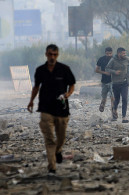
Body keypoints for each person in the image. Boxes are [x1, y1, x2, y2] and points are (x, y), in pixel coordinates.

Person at [27, 44, 76, 174]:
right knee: (49, 140)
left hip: (62, 110)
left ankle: (58, 151)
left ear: (57, 55)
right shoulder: (40, 70)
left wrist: (68, 94)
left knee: (61, 138)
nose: (52, 57)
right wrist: (31, 101)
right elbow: (36, 87)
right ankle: (52, 167)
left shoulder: (64, 69)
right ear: (46, 55)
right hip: (45, 109)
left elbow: (72, 85)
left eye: (54, 54)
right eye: (50, 54)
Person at [105, 47, 129, 123]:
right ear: (119, 54)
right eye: (123, 53)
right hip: (116, 83)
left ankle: (124, 117)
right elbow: (107, 68)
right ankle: (114, 110)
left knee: (124, 99)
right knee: (117, 100)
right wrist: (114, 72)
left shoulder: (127, 59)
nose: (125, 54)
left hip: (125, 82)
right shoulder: (113, 60)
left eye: (125, 53)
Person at [95, 47, 117, 120]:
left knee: (112, 97)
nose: (108, 55)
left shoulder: (115, 59)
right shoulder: (101, 59)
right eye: (107, 53)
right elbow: (96, 70)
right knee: (104, 96)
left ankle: (114, 113)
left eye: (110, 53)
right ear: (105, 53)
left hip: (113, 81)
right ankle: (102, 104)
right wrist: (104, 72)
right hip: (104, 81)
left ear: (112, 53)